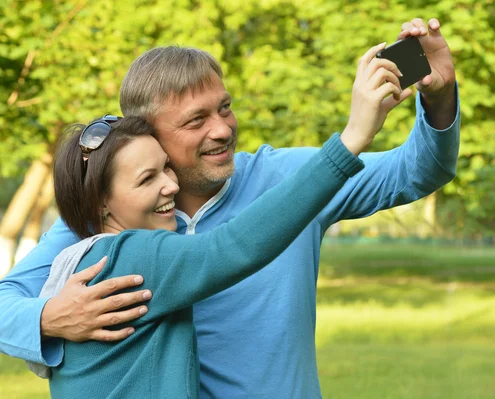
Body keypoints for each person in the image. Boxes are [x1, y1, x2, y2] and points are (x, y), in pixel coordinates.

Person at [0, 18, 460, 398]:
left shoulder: (295, 178)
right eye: (196, 120)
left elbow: (417, 171)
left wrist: (437, 99)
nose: (221, 129)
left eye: (225, 108)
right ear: (147, 135)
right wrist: (48, 318)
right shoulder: (106, 221)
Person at [29, 97, 390, 397]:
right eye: (147, 179)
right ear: (101, 205)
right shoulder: (135, 257)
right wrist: (351, 140)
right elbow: (235, 247)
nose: (171, 186)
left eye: (165, 168)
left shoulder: (78, 261)